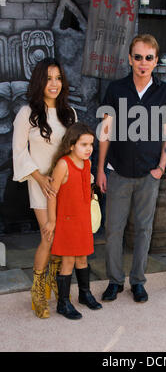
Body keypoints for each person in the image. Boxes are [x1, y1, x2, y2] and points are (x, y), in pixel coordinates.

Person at [97, 34, 166, 303]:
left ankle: (138, 281)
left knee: (144, 230)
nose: (143, 63)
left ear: (156, 61)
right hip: (117, 171)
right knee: (113, 230)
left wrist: (162, 167)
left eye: (149, 58)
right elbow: (104, 132)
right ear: (130, 59)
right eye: (138, 57)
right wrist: (100, 170)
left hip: (148, 174)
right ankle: (115, 281)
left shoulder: (165, 92)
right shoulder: (116, 89)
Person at [12, 58, 76, 319]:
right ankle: (38, 291)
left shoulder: (69, 113)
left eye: (58, 78)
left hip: (67, 185)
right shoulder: (27, 113)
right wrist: (41, 179)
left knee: (65, 239)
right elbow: (19, 152)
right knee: (49, 237)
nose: (54, 84)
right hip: (41, 185)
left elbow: (77, 151)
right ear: (40, 81)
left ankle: (56, 285)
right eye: (49, 78)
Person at [43, 122, 102, 320]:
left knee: (83, 257)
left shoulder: (87, 164)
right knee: (68, 260)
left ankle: (85, 294)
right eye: (84, 144)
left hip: (82, 220)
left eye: (91, 145)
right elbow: (52, 195)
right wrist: (52, 221)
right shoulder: (63, 165)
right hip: (67, 221)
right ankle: (63, 303)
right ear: (71, 145)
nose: (89, 149)